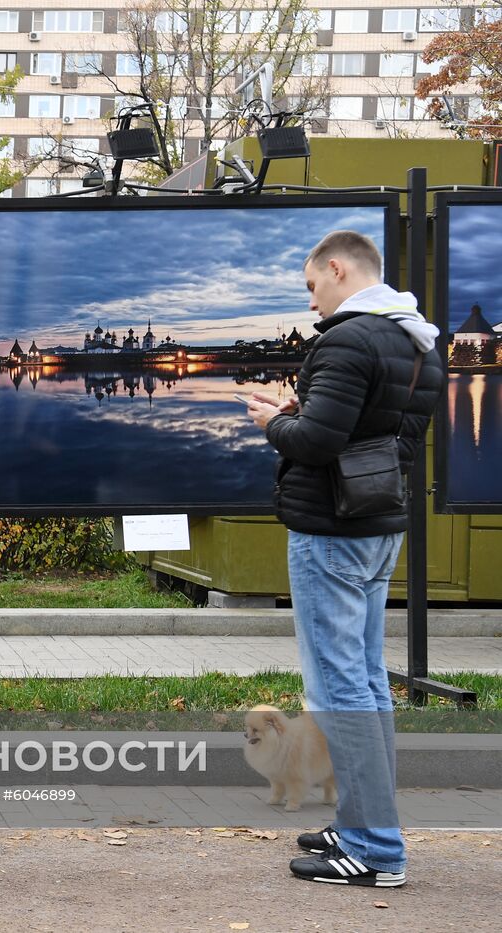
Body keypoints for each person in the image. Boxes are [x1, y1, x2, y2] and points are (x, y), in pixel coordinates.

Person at [245, 231, 442, 887]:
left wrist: (272, 418)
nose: (312, 302)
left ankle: (376, 848)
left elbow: (318, 442)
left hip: (331, 531)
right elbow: (379, 433)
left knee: (337, 688)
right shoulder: (418, 341)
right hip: (380, 526)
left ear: (337, 268)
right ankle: (361, 823)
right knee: (364, 680)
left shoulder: (347, 339)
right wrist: (308, 408)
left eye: (312, 286)